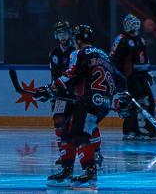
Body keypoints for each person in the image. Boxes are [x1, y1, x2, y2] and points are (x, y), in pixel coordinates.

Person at [36, 24, 127, 186]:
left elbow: (71, 75)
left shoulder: (79, 53)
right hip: (103, 104)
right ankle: (67, 170)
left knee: (79, 134)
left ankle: (89, 172)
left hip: (88, 101)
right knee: (67, 132)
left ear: (77, 39)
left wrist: (50, 89)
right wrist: (122, 101)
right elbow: (121, 80)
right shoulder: (104, 55)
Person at [111, 13, 156, 140]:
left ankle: (149, 129)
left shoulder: (140, 39)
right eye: (131, 24)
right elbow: (113, 59)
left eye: (135, 24)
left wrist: (148, 72)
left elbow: (145, 58)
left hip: (140, 76)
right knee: (131, 103)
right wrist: (118, 76)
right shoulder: (121, 39)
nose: (134, 27)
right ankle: (130, 130)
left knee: (149, 101)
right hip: (128, 77)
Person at [48, 20, 76, 172]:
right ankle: (63, 154)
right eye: (59, 33)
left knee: (81, 122)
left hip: (76, 93)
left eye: (64, 33)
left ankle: (95, 152)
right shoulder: (54, 53)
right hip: (60, 94)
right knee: (59, 122)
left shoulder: (76, 50)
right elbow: (55, 74)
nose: (62, 36)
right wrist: (54, 91)